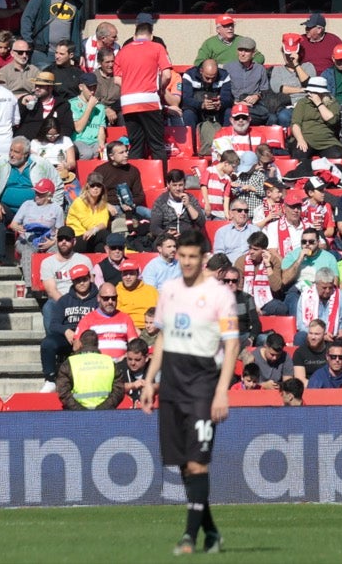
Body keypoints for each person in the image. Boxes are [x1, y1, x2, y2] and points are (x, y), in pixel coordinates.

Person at [139, 232, 240, 556]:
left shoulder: (220, 295)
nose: (186, 262)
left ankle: (188, 537)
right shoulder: (169, 290)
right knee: (183, 465)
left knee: (197, 464)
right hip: (172, 384)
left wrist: (221, 391)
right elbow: (162, 338)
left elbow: (232, 344)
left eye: (192, 257)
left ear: (203, 258)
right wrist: (149, 380)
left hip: (202, 385)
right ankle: (212, 533)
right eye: (182, 256)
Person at [58, 328, 126, 409]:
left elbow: (63, 392)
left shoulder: (70, 363)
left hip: (77, 414)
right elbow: (119, 390)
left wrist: (80, 411)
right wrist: (102, 409)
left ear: (81, 343)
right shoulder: (109, 362)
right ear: (97, 344)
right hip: (105, 413)